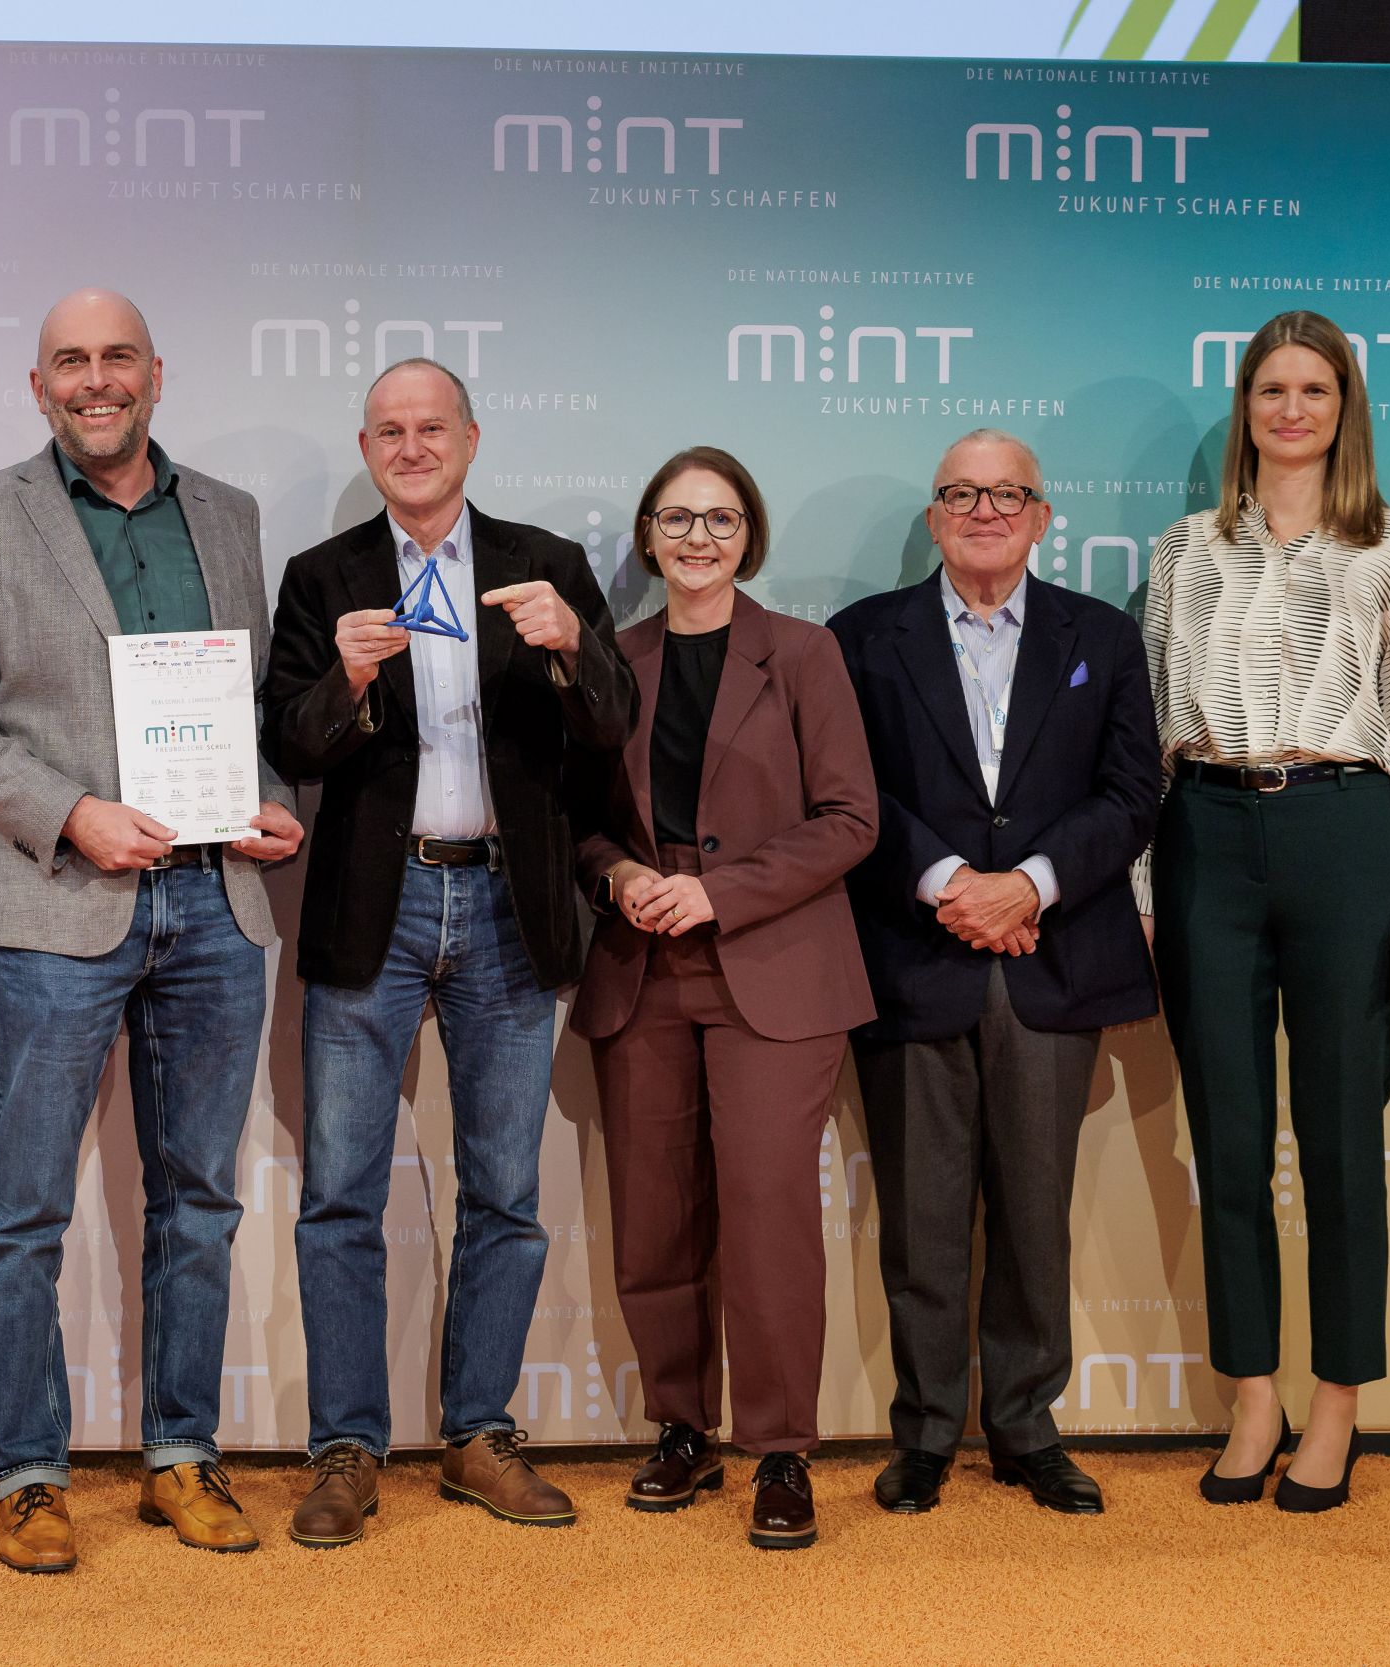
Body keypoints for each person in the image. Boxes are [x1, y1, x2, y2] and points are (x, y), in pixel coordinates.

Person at [0, 288, 302, 1573]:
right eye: (70, 361)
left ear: (155, 372)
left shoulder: (228, 514)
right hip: (51, 903)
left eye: (116, 356)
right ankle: (29, 1474)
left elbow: (248, 708)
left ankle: (181, 1453)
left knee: (199, 1200)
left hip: (216, 902)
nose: (96, 379)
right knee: (25, 1208)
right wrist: (71, 813)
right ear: (38, 386)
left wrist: (268, 799)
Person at [263, 357, 634, 1547]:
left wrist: (573, 646)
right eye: (389, 430)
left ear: (471, 438)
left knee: (506, 1193)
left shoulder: (545, 563)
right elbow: (292, 747)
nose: (411, 446)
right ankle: (345, 1446)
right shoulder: (322, 576)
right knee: (338, 1195)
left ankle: (480, 1433)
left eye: (431, 427)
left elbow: (612, 725)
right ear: (366, 449)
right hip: (372, 909)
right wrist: (345, 677)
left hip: (507, 909)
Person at [1141, 310, 1390, 1513]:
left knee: (1338, 1138)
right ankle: (1252, 1394)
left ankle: (1335, 1405)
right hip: (1206, 832)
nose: (1290, 408)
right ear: (1245, 407)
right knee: (1225, 1134)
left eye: (1313, 389)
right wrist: (1146, 885)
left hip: (1343, 832)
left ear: (1343, 408)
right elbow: (1153, 732)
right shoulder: (1184, 550)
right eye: (1270, 388)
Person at [827, 429, 1159, 1519]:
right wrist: (949, 883)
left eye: (1007, 493)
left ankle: (1023, 1426)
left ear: (1041, 517)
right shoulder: (860, 638)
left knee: (1033, 1209)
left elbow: (1131, 792)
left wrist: (1029, 885)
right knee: (921, 1219)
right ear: (933, 516)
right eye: (962, 493)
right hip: (916, 956)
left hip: (1051, 960)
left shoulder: (1101, 636)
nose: (985, 510)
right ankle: (926, 1430)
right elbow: (850, 793)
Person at [569, 447, 877, 1551]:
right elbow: (576, 816)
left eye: (720, 518)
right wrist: (618, 874)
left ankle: (780, 1447)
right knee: (654, 1215)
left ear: (749, 536)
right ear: (647, 537)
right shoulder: (613, 659)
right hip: (641, 968)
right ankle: (680, 1426)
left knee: (766, 1213)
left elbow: (850, 818)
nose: (698, 538)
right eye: (677, 518)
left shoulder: (803, 652)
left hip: (772, 970)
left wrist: (719, 891)